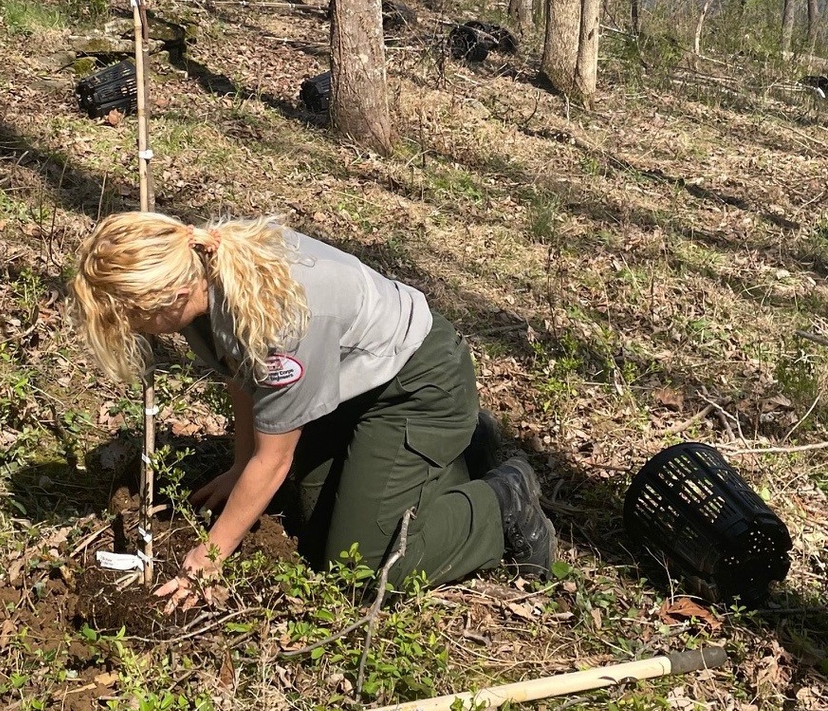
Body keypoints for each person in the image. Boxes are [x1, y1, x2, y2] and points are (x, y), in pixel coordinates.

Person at [71, 211, 556, 608]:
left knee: (360, 566)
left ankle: (500, 500)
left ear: (169, 295)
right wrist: (240, 465)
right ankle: (453, 453)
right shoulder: (205, 266)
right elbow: (241, 374)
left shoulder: (274, 312)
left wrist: (211, 555)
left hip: (416, 385)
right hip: (349, 389)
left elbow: (275, 458)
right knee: (311, 520)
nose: (133, 331)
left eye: (132, 318)